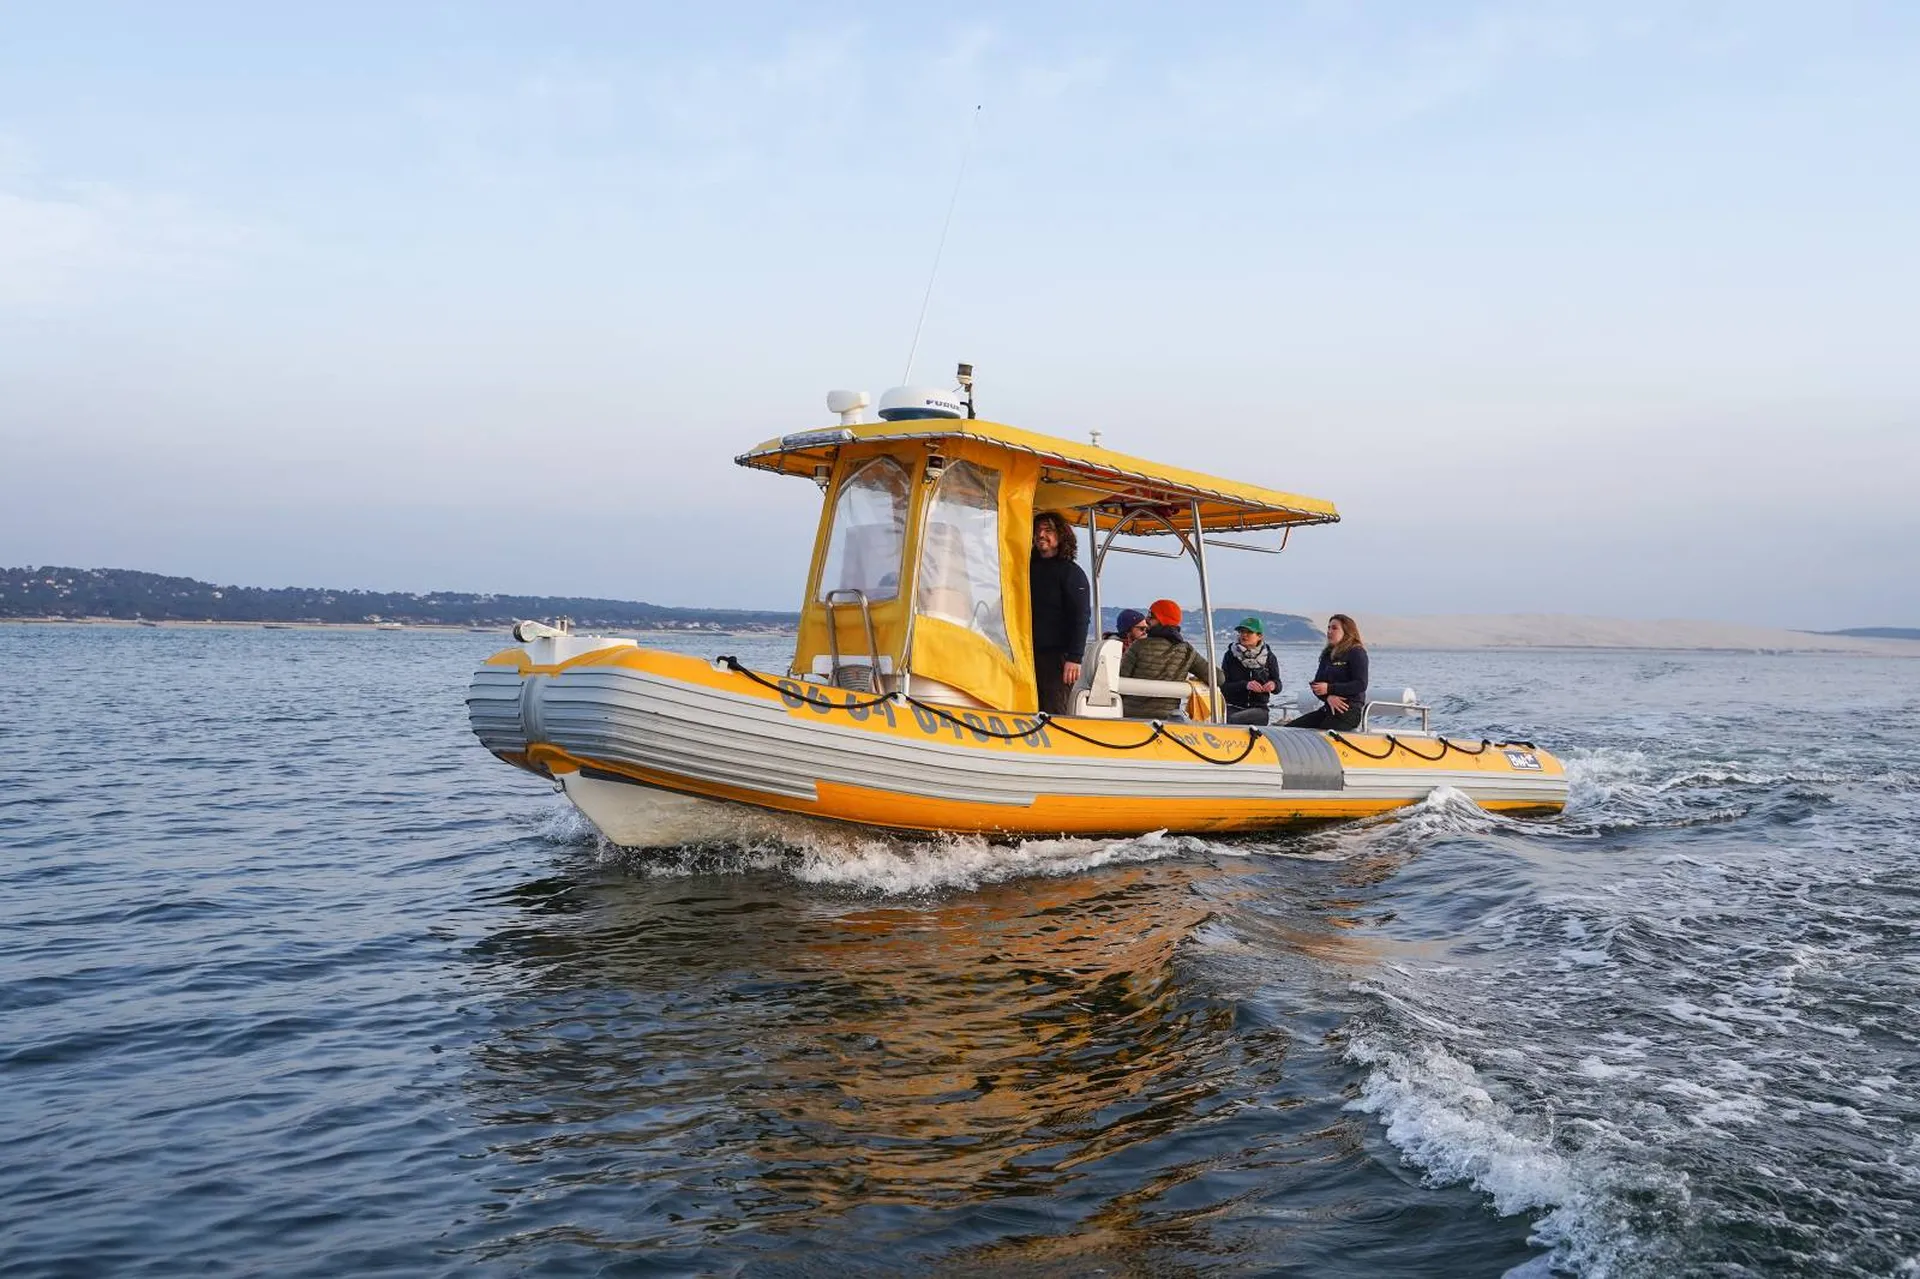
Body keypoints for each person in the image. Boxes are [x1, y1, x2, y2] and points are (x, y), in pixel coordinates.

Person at [1029, 510, 1091, 716]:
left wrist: (1075, 658)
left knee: (1053, 707)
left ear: (1061, 536)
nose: (1041, 535)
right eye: (1037, 530)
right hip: (1026, 652)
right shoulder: (1028, 569)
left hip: (1057, 657)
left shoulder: (1072, 573)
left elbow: (1081, 617)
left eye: (1048, 530)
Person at [1119, 599, 1210, 719]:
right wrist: (1193, 681)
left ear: (1162, 619)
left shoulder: (1139, 646)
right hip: (1167, 719)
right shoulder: (1187, 651)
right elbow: (1218, 678)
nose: (1146, 620)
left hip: (1131, 717)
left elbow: (1120, 679)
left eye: (1151, 616)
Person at [1287, 613, 1370, 731]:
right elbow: (1317, 684)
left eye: (1334, 628)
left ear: (1347, 632)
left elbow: (1361, 684)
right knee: (1290, 729)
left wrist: (1330, 688)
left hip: (1347, 711)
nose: (1329, 631)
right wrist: (1328, 697)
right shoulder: (1327, 654)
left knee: (1323, 736)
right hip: (1328, 708)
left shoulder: (1356, 652)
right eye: (1328, 627)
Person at [1220, 616, 1281, 725]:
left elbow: (1278, 686)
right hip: (1232, 706)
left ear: (1259, 636)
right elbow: (1223, 687)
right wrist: (1245, 685)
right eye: (1241, 631)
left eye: (1249, 632)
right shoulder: (1230, 655)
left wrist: (1273, 685)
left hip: (1259, 709)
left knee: (1234, 719)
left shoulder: (1270, 657)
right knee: (1223, 718)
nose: (1244, 635)